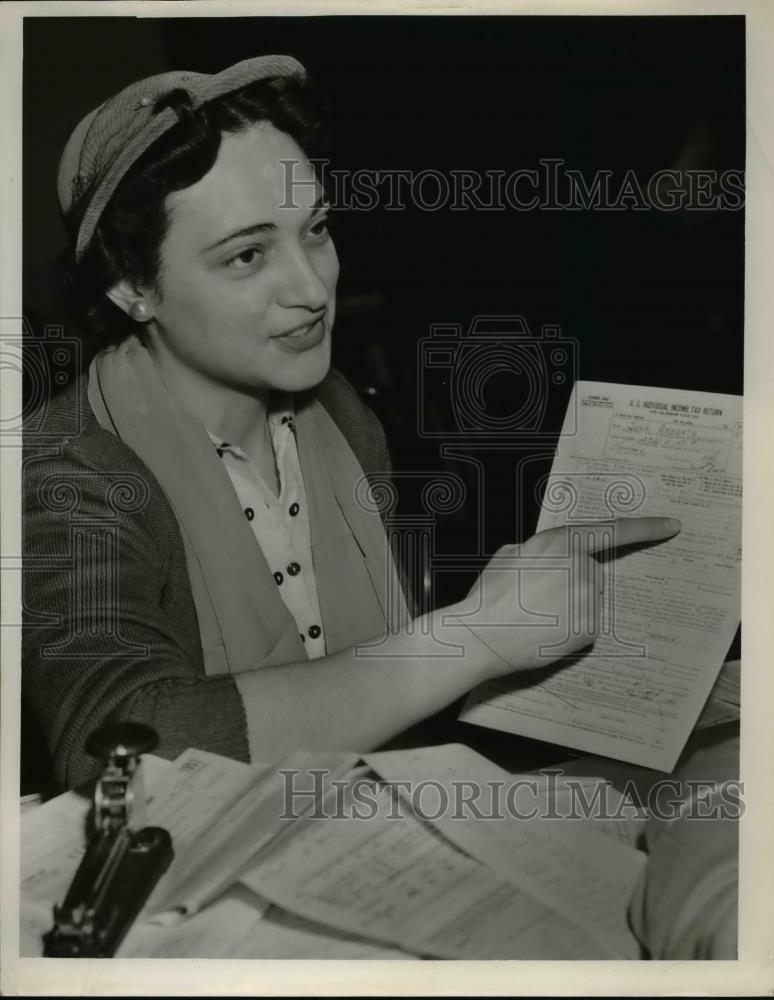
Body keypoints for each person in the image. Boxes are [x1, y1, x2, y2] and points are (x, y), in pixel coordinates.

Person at [22, 54, 680, 790]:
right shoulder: (65, 475)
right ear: (131, 285)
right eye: (247, 255)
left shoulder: (342, 414)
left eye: (317, 229)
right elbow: (114, 753)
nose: (311, 287)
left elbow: (370, 690)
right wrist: (477, 636)